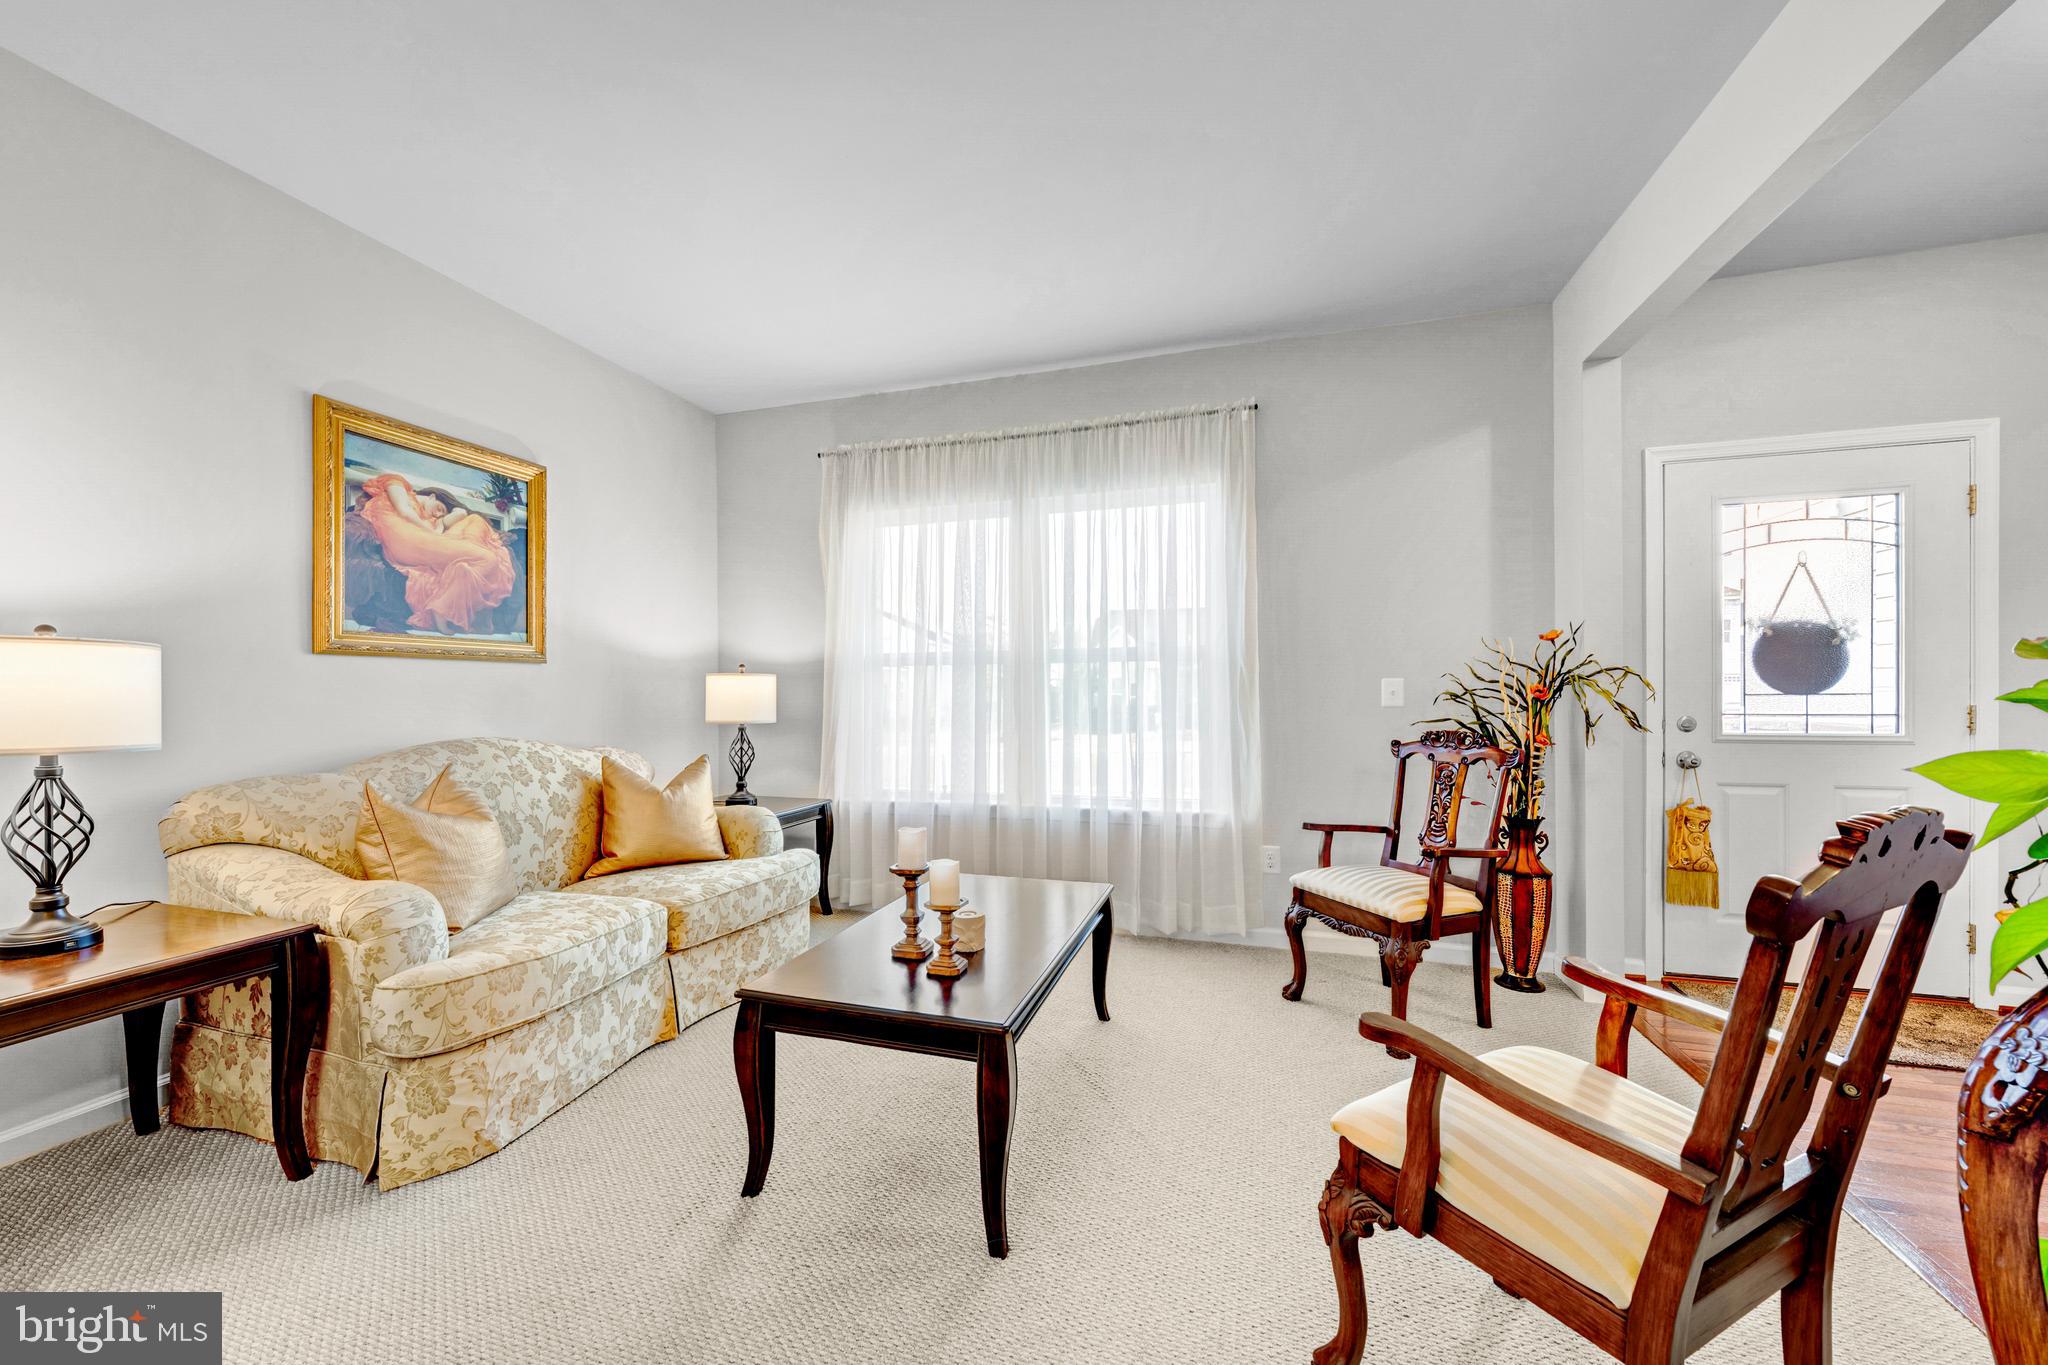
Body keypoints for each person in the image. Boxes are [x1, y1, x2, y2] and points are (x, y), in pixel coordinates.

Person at [356, 473, 517, 634]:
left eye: (441, 514)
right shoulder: (396, 482)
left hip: (418, 542)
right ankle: (442, 608)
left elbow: (447, 522)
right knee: (487, 559)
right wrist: (432, 530)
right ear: (432, 496)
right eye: (440, 508)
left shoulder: (427, 517)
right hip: (409, 542)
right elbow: (404, 511)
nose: (439, 514)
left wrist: (456, 513)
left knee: (474, 520)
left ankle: (458, 578)